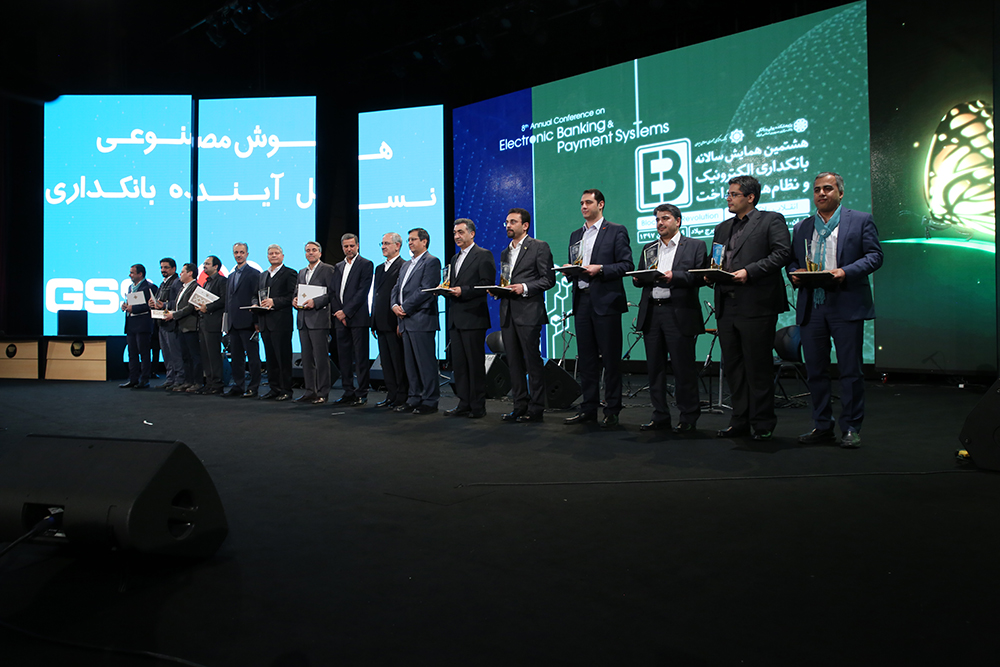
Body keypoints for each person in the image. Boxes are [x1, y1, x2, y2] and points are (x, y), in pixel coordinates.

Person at [789, 172, 884, 449]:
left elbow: (875, 256)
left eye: (828, 188)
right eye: (817, 189)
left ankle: (851, 428)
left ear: (840, 193)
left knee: (850, 370)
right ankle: (822, 426)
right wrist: (794, 273)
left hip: (846, 303)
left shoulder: (861, 220)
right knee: (816, 371)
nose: (822, 193)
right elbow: (792, 260)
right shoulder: (802, 226)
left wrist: (845, 271)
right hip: (813, 305)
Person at [711, 175, 791, 440]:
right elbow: (717, 259)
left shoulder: (771, 220)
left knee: (758, 366)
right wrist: (710, 272)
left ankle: (763, 423)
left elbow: (782, 253)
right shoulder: (722, 228)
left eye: (733, 194)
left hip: (757, 304)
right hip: (727, 305)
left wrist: (749, 271)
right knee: (733, 367)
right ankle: (739, 421)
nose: (728, 199)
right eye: (728, 194)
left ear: (750, 197)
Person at [632, 204, 709, 432]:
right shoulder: (649, 248)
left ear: (678, 221)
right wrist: (638, 279)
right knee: (655, 369)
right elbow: (641, 275)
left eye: (665, 218)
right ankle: (660, 416)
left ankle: (688, 417)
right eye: (657, 219)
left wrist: (674, 276)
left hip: (679, 312)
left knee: (683, 369)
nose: (660, 223)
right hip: (652, 313)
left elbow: (700, 277)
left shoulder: (695, 246)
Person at [563, 189, 633, 428]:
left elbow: (626, 265)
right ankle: (588, 409)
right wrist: (569, 271)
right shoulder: (575, 235)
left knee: (611, 360)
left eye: (588, 202)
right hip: (581, 301)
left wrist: (601, 269)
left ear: (600, 204)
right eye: (581, 203)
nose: (583, 206)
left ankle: (612, 410)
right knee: (586, 360)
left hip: (606, 302)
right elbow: (577, 266)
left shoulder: (616, 230)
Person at [492, 208, 554, 423]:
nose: (508, 226)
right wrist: (498, 290)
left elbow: (548, 280)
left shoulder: (539, 247)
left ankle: (536, 409)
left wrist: (524, 287)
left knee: (532, 362)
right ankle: (519, 406)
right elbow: (506, 280)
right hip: (508, 313)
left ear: (525, 225)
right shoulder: (505, 252)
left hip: (529, 313)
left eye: (513, 222)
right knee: (514, 362)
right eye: (506, 222)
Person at [443, 219, 495, 418]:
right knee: (460, 366)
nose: (456, 236)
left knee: (474, 365)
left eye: (461, 232)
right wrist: (444, 289)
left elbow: (486, 284)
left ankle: (478, 406)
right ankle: (463, 403)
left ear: (472, 234)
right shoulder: (455, 258)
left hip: (474, 318)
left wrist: (462, 290)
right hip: (456, 318)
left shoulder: (483, 255)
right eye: (455, 233)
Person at [391, 228, 442, 415]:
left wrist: (405, 307)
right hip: (406, 321)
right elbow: (396, 288)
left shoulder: (432, 261)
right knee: (410, 364)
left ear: (424, 241)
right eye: (409, 240)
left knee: (425, 363)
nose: (410, 243)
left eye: (413, 239)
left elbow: (426, 290)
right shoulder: (406, 265)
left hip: (421, 319)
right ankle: (413, 398)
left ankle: (429, 401)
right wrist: (394, 305)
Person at [331, 234, 374, 406]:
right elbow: (333, 292)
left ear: (357, 246)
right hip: (339, 319)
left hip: (358, 318)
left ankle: (362, 392)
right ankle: (348, 391)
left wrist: (346, 312)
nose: (349, 249)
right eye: (346, 246)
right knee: (344, 357)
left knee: (361, 357)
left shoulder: (366, 264)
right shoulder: (338, 266)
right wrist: (338, 312)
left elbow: (362, 292)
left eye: (351, 246)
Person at [293, 241, 336, 404]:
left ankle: (323, 392)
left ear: (320, 253)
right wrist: (294, 300)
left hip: (319, 320)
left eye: (313, 250)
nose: (310, 253)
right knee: (307, 358)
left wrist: (315, 302)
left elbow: (331, 293)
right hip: (303, 320)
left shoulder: (328, 269)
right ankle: (310, 391)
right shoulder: (301, 272)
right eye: (307, 250)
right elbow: (297, 292)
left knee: (321, 358)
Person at [255, 244, 297, 401]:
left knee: (283, 358)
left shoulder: (290, 273)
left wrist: (274, 301)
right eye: (270, 253)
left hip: (281, 322)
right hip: (265, 322)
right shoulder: (262, 275)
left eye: (276, 253)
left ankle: (286, 390)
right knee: (270, 358)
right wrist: (255, 304)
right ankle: (274, 388)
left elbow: (292, 296)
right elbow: (255, 295)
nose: (273, 255)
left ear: (282, 256)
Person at [371, 233, 408, 409]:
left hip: (394, 322)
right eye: (382, 243)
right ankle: (391, 395)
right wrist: (373, 321)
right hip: (380, 322)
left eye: (386, 243)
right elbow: (376, 295)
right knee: (386, 362)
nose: (383, 247)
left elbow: (402, 295)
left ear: (397, 246)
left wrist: (400, 322)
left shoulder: (404, 266)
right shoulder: (379, 268)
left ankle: (402, 396)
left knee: (398, 362)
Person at [223, 242, 262, 398]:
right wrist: (226, 322)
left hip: (248, 321)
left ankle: (253, 387)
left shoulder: (254, 274)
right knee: (236, 357)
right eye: (236, 252)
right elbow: (228, 300)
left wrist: (257, 321)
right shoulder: (231, 276)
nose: (238, 255)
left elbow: (256, 297)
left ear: (247, 254)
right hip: (233, 322)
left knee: (253, 357)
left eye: (241, 252)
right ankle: (238, 386)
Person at [163, 263, 202, 392]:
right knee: (185, 356)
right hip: (181, 326)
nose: (180, 274)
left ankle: (197, 382)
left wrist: (173, 315)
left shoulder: (196, 287)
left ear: (190, 273)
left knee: (194, 356)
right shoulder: (182, 288)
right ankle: (187, 381)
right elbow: (178, 305)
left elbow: (190, 307)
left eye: (183, 271)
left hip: (191, 327)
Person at [194, 255, 227, 394]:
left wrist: (207, 307)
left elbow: (223, 300)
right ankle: (209, 382)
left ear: (216, 266)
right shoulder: (206, 282)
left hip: (214, 322)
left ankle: (217, 384)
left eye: (207, 264)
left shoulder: (222, 281)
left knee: (213, 355)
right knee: (206, 355)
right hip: (203, 321)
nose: (204, 266)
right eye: (204, 263)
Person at [148, 258, 183, 390]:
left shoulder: (177, 282)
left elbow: (179, 302)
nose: (163, 270)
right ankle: (170, 379)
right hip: (161, 322)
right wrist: (152, 303)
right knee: (167, 354)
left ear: (174, 269)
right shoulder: (163, 283)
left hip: (172, 323)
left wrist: (164, 305)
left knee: (175, 354)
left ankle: (179, 379)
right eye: (161, 267)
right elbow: (159, 300)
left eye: (166, 267)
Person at [120, 263, 156, 389]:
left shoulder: (149, 287)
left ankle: (144, 379)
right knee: (132, 353)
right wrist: (125, 306)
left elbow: (151, 305)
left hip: (143, 324)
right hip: (131, 324)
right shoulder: (131, 287)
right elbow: (132, 303)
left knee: (144, 353)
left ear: (140, 274)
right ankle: (133, 379)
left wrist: (134, 309)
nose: (130, 275)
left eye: (132, 273)